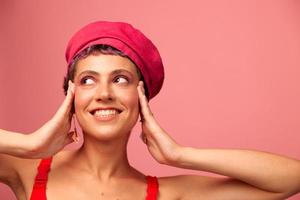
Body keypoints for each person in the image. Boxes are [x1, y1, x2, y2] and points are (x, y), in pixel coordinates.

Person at [0, 21, 299, 200]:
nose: (104, 94)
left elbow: (292, 179)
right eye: (88, 80)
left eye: (120, 79)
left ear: (142, 97)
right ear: (71, 95)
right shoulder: (27, 170)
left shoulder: (166, 194)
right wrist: (29, 144)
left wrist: (181, 155)